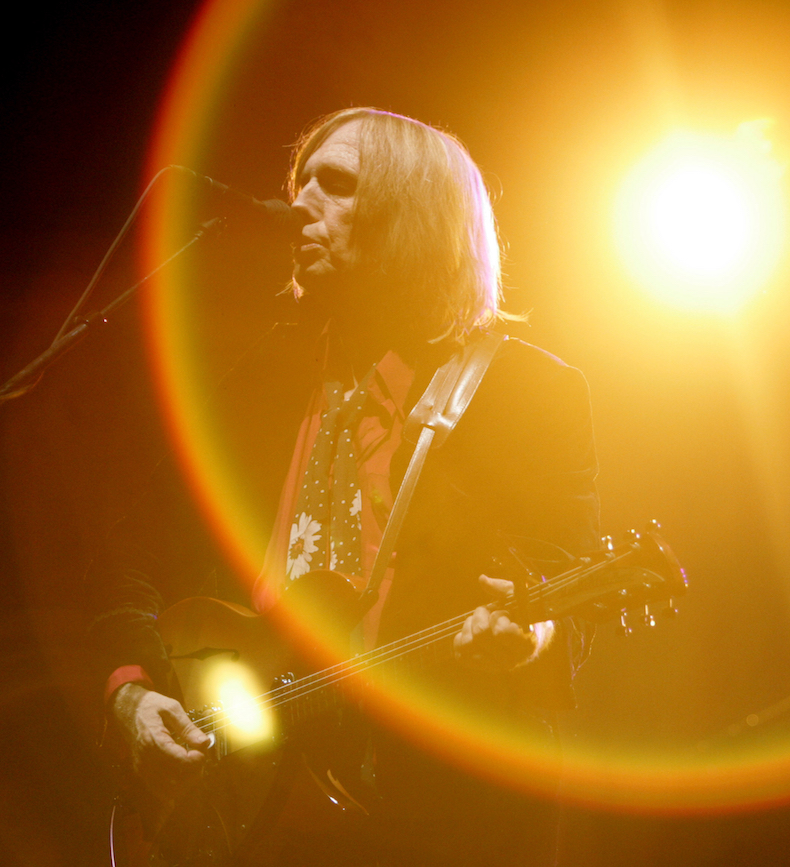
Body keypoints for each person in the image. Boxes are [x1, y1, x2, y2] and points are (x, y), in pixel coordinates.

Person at [95, 108, 599, 866]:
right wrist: (131, 692)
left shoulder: (526, 391)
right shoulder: (255, 385)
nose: (300, 203)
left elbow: (568, 580)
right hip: (246, 808)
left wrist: (529, 634)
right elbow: (125, 552)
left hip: (435, 815)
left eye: (335, 186)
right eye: (301, 182)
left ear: (415, 213)